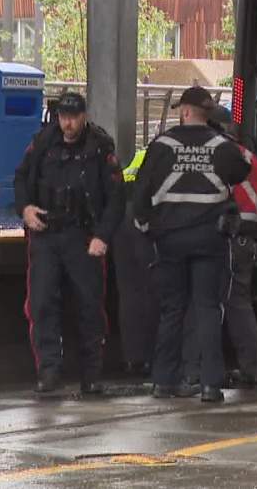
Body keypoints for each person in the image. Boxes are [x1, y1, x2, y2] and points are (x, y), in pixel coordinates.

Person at [133, 86, 251, 403]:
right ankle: (210, 385)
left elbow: (140, 195)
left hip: (169, 240)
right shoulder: (222, 146)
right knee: (208, 309)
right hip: (210, 240)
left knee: (172, 309)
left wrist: (148, 228)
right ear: (208, 114)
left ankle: (163, 381)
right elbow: (243, 171)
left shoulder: (162, 145)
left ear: (184, 112)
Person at [14, 92, 124, 395]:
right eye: (64, 117)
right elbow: (21, 178)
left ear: (84, 115)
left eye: (74, 117)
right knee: (41, 304)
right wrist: (24, 209)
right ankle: (48, 372)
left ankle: (91, 375)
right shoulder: (43, 143)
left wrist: (102, 235)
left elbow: (116, 197)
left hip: (83, 236)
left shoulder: (100, 147)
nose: (68, 123)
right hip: (46, 234)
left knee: (89, 306)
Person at [181, 106, 257, 389]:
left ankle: (195, 371)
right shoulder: (249, 157)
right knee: (239, 304)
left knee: (202, 304)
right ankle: (252, 368)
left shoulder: (216, 155)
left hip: (222, 238)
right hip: (245, 240)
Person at [112, 148, 158, 378]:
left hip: (121, 221)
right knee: (151, 292)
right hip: (143, 220)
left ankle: (132, 358)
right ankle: (152, 358)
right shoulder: (167, 154)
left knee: (129, 295)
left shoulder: (140, 154)